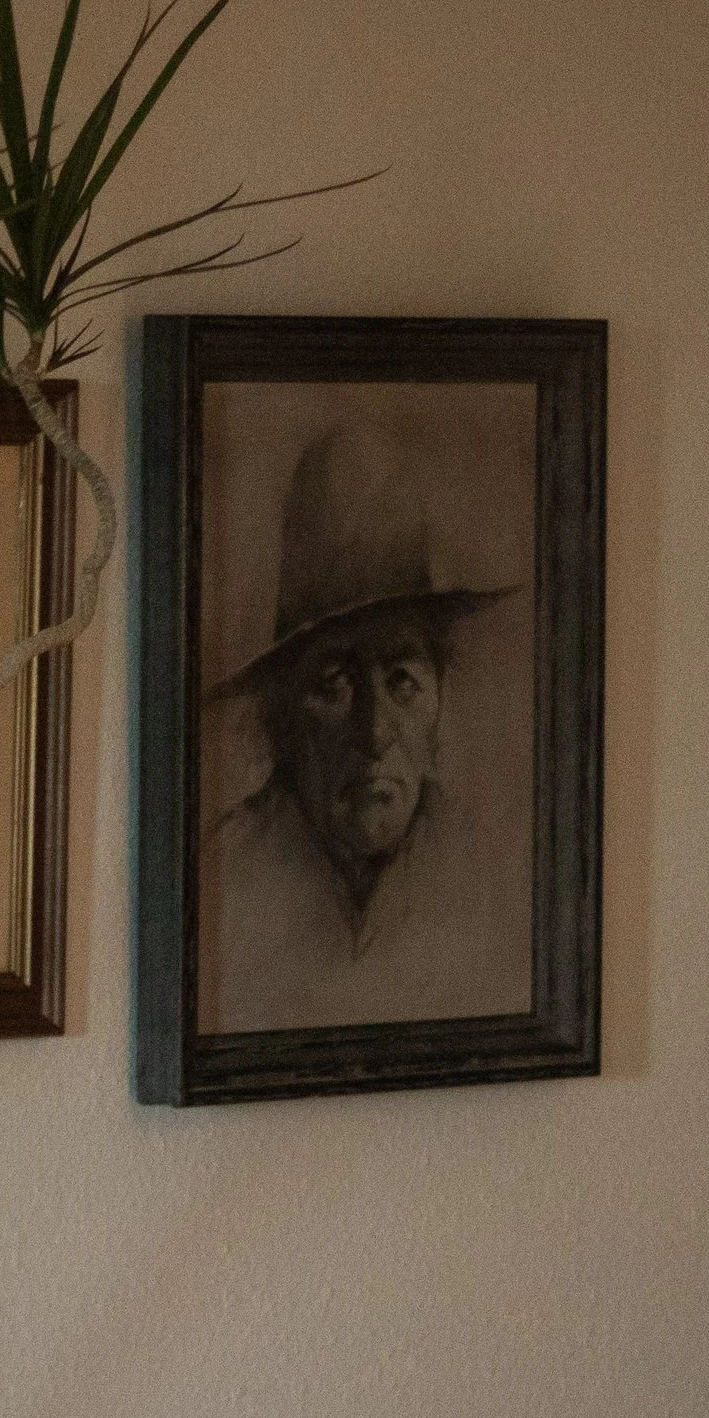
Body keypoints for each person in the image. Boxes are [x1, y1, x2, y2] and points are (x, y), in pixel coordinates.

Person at [200, 420, 529, 1033]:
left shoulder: (493, 881)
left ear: (440, 695)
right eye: (335, 684)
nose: (375, 732)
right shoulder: (222, 879)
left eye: (401, 680)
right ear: (283, 717)